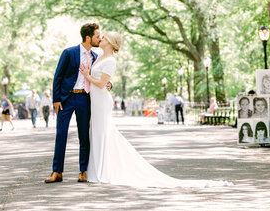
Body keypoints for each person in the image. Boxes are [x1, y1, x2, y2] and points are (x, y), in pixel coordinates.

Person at [79, 31, 231, 188]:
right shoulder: (99, 57)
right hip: (95, 101)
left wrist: (86, 75)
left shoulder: (110, 60)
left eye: (104, 38)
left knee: (102, 133)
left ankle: (103, 171)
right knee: (96, 133)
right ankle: (97, 170)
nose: (101, 39)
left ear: (110, 42)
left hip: (102, 102)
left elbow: (102, 84)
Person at [45, 23, 102, 184]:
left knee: (84, 136)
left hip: (85, 99)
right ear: (88, 37)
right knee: (60, 134)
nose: (100, 39)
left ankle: (83, 171)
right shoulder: (69, 53)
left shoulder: (96, 58)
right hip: (66, 99)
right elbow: (58, 76)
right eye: (97, 36)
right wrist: (56, 99)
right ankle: (57, 172)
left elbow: (99, 79)